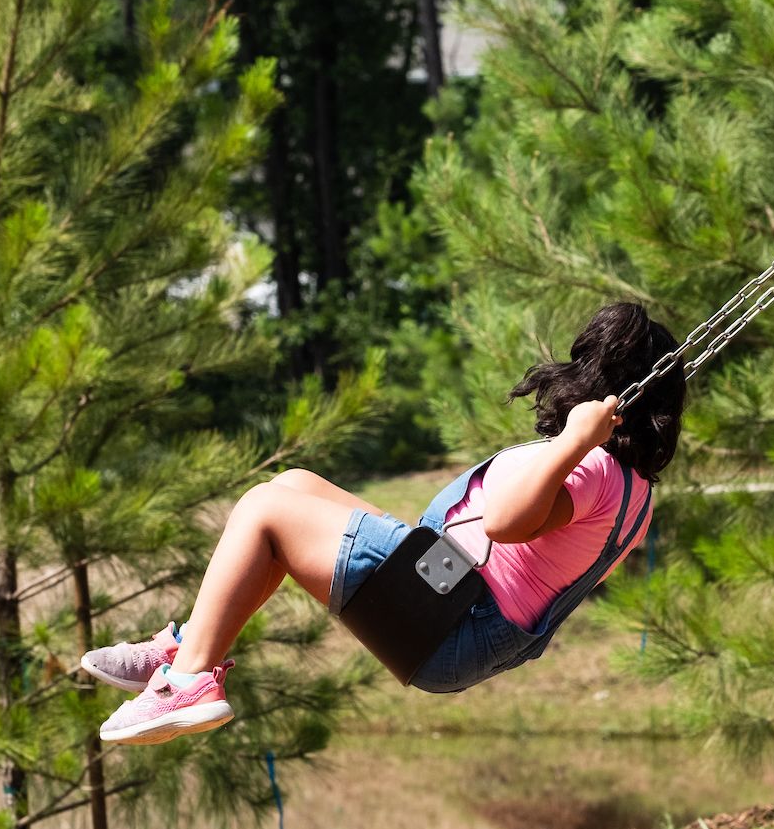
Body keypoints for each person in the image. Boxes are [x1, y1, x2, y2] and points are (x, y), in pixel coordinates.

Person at [83, 302, 685, 745]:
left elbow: (503, 522)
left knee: (263, 509)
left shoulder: (593, 466)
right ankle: (189, 644)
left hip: (449, 614)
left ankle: (189, 680)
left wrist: (574, 441)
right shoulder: (633, 492)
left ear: (601, 388)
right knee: (293, 484)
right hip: (452, 606)